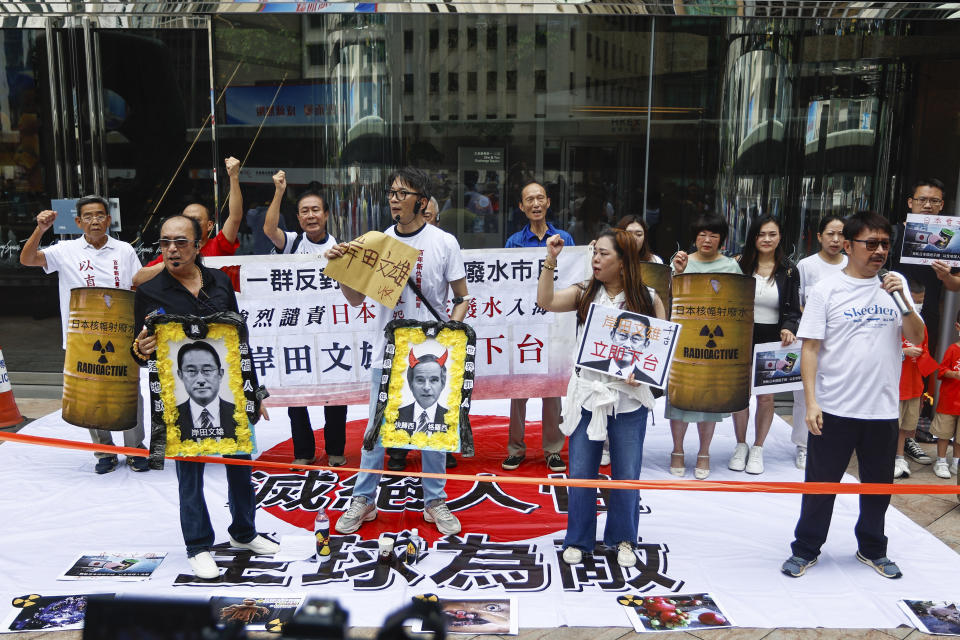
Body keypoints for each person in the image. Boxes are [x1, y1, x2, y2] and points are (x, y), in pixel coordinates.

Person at [131, 215, 279, 579]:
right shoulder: (152, 291)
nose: (171, 250)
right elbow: (137, 350)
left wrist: (254, 391)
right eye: (165, 242)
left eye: (180, 242)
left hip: (227, 388)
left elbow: (239, 342)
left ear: (199, 245)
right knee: (190, 473)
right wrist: (140, 348)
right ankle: (198, 545)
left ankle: (244, 532)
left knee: (240, 464)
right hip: (181, 396)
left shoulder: (220, 282)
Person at [326, 167, 469, 536]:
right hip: (388, 353)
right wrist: (342, 269)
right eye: (390, 192)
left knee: (432, 429)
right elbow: (356, 298)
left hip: (434, 352)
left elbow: (462, 297)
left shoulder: (444, 242)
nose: (393, 198)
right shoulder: (377, 243)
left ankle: (435, 501)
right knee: (376, 428)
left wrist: (451, 331)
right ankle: (363, 499)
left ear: (421, 201)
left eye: (402, 193)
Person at [782, 211, 924, 580]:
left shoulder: (896, 284)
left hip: (881, 408)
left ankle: (873, 548)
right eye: (870, 243)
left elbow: (918, 335)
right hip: (834, 406)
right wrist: (811, 402)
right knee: (820, 485)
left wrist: (902, 300)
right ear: (848, 246)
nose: (879, 251)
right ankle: (806, 548)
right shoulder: (826, 290)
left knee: (878, 487)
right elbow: (809, 348)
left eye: (884, 244)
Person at [537, 229, 665, 568]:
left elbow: (661, 349)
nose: (596, 259)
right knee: (581, 470)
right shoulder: (584, 293)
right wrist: (550, 260)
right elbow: (545, 301)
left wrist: (645, 373)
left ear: (623, 263)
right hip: (588, 394)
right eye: (595, 252)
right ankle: (578, 539)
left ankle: (623, 538)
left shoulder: (648, 298)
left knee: (626, 472)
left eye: (604, 254)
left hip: (629, 397)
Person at [19, 194, 148, 474]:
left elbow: (137, 284)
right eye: (88, 216)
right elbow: (28, 259)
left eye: (99, 215)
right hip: (82, 338)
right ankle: (104, 451)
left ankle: (135, 449)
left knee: (129, 393)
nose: (94, 221)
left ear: (109, 219)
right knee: (90, 393)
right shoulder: (64, 250)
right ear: (78, 221)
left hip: (121, 333)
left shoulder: (124, 250)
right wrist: (40, 230)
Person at [263, 170, 347, 468]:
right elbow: (269, 228)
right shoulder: (292, 243)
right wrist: (279, 192)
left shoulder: (342, 250)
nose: (310, 216)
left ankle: (336, 449)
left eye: (315, 210)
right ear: (298, 218)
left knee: (335, 394)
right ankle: (304, 451)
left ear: (326, 214)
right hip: (296, 334)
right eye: (304, 212)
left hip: (332, 333)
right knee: (296, 395)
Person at [502, 181, 572, 472]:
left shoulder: (564, 238)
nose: (535, 204)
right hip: (523, 323)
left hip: (553, 323)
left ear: (548, 202)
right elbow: (504, 285)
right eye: (529, 199)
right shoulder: (513, 242)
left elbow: (570, 278)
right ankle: (515, 448)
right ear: (521, 206)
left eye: (540, 198)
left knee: (551, 389)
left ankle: (553, 449)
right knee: (519, 390)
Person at [668, 213, 742, 479]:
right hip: (684, 340)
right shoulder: (682, 262)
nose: (707, 240)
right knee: (680, 397)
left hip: (715, 344)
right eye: (702, 234)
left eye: (713, 235)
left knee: (708, 400)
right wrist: (676, 273)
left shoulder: (732, 267)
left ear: (722, 239)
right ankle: (677, 450)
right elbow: (668, 300)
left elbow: (739, 306)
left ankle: (704, 452)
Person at [730, 216, 801, 475]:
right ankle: (740, 445)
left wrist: (789, 328)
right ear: (753, 237)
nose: (767, 239)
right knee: (741, 396)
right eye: (762, 234)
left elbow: (794, 309)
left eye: (772, 234)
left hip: (773, 338)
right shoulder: (738, 264)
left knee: (766, 397)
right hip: (740, 337)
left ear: (780, 236)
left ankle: (758, 448)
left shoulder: (789, 270)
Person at [132, 157, 244, 287]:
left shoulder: (219, 245)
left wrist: (234, 177)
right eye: (187, 220)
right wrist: (172, 262)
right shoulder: (173, 252)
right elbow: (137, 279)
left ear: (210, 225)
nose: (191, 224)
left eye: (196, 220)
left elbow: (235, 217)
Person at [792, 215, 847, 469]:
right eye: (830, 234)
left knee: (838, 394)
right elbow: (797, 302)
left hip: (840, 342)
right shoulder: (805, 266)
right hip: (810, 338)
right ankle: (803, 446)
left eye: (840, 235)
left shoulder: (851, 264)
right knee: (805, 394)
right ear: (819, 237)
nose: (835, 240)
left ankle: (835, 444)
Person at [894, 281, 937, 479]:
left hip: (914, 386)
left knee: (906, 427)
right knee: (891, 426)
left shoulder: (920, 325)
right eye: (915, 301)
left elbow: (925, 350)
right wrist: (904, 352)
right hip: (895, 386)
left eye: (921, 302)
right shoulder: (894, 322)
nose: (918, 305)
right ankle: (888, 457)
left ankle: (900, 456)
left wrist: (923, 358)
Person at [176, 342, 237, 439]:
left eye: (207, 370)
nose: (200, 380)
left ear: (220, 374)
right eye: (191, 371)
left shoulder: (238, 413)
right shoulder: (170, 417)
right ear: (180, 375)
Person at [579, 312, 657, 386]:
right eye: (623, 335)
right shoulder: (588, 367)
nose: (627, 345)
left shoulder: (648, 382)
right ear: (612, 335)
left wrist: (641, 384)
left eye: (636, 339)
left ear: (646, 345)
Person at [931, 310, 960, 479]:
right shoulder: (952, 349)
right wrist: (954, 374)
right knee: (943, 433)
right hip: (949, 401)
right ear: (957, 327)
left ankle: (956, 461)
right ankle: (941, 461)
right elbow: (941, 371)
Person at [397, 351, 448, 432]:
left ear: (442, 384)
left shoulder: (453, 419)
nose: (426, 387)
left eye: (434, 380)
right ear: (411, 384)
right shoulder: (395, 416)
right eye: (420, 380)